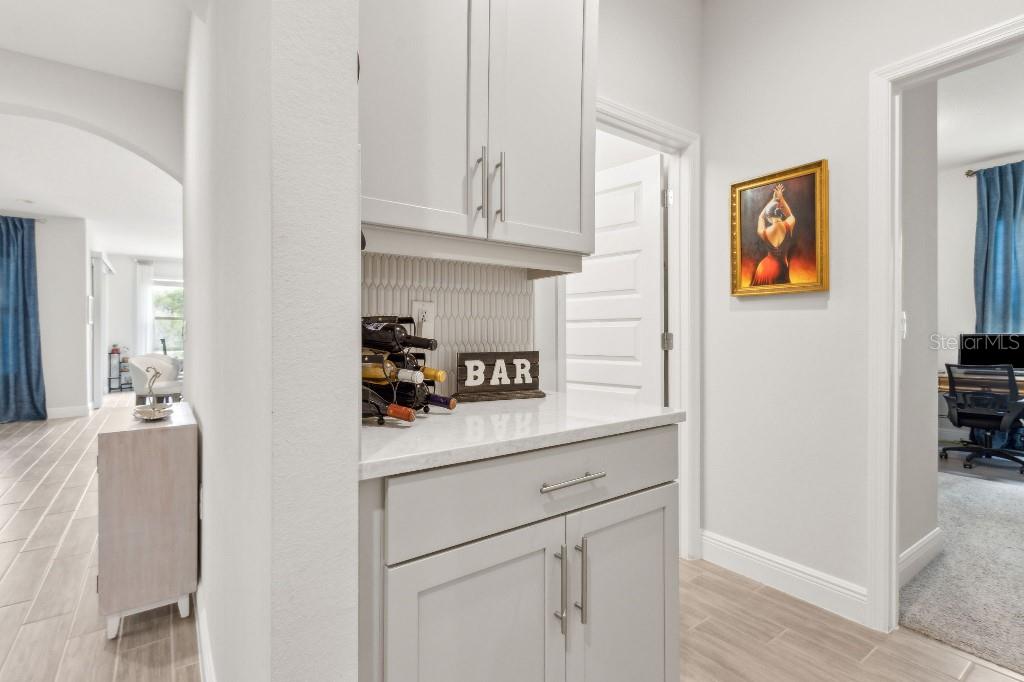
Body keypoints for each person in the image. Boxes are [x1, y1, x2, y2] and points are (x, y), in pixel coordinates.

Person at [750, 183, 797, 286]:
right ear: (780, 212)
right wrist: (780, 198)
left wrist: (773, 200)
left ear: (769, 217)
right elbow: (789, 214)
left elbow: (760, 217)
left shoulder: (763, 232)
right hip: (781, 269)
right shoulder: (789, 223)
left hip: (763, 269)